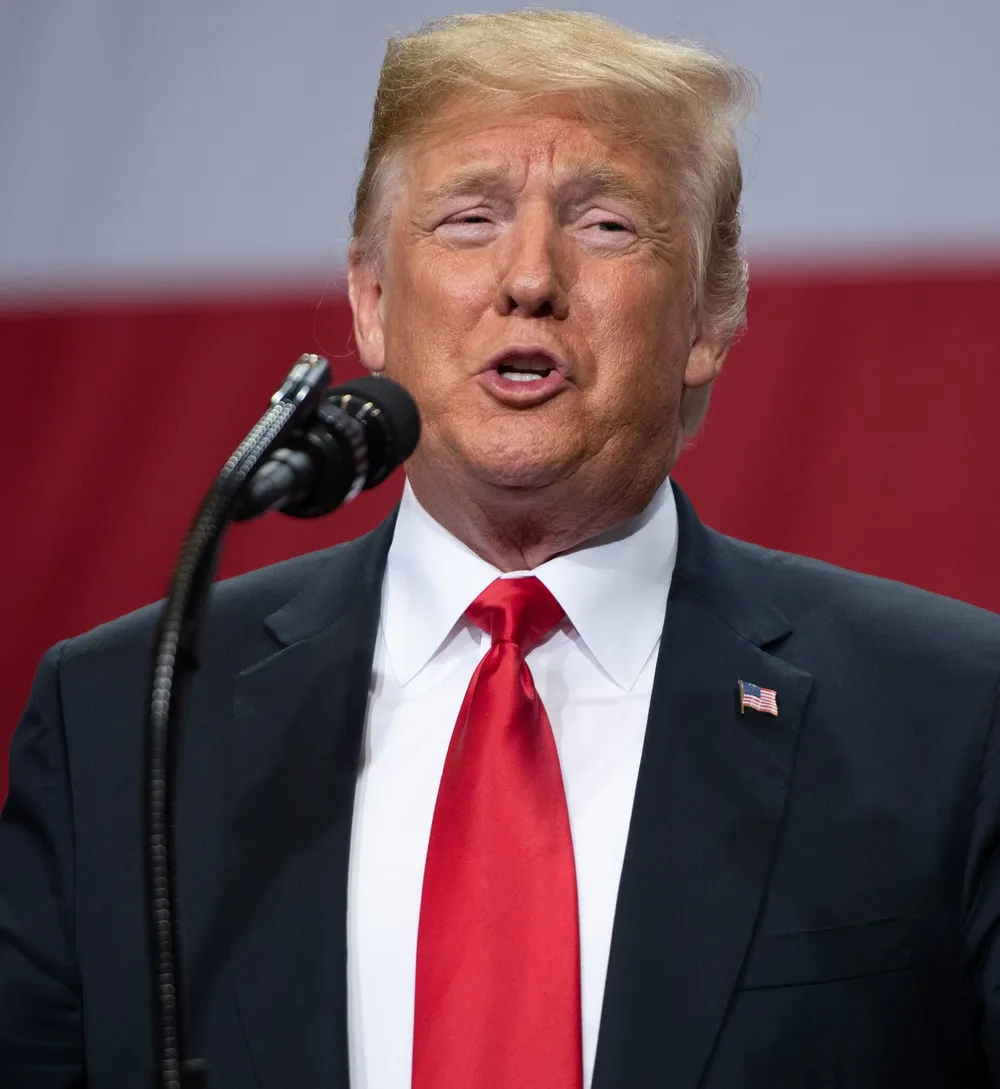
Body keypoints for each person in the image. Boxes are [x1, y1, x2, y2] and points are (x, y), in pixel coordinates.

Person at [2, 9, 999, 1088]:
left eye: (607, 224)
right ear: (372, 303)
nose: (529, 276)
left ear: (709, 320)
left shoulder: (948, 715)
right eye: (469, 219)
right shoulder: (124, 718)